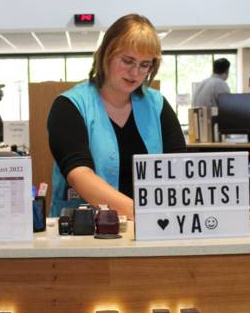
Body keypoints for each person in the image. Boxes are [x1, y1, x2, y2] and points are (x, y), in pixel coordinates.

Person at [47, 14, 187, 218]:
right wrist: (143, 213)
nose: (135, 72)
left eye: (144, 65)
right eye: (128, 61)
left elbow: (178, 167)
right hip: (84, 230)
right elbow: (80, 174)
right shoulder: (69, 105)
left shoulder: (157, 105)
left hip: (151, 226)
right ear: (106, 54)